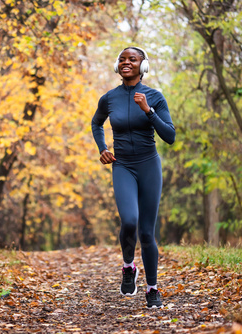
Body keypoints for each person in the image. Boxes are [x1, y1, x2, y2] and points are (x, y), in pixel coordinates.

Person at [91, 46, 175, 308]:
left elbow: (170, 136)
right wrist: (103, 148)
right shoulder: (109, 98)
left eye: (133, 59)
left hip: (149, 165)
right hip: (123, 165)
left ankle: (152, 289)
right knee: (129, 221)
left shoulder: (154, 97)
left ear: (143, 65)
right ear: (118, 66)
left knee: (147, 233)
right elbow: (96, 123)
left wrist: (148, 110)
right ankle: (128, 266)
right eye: (122, 59)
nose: (126, 62)